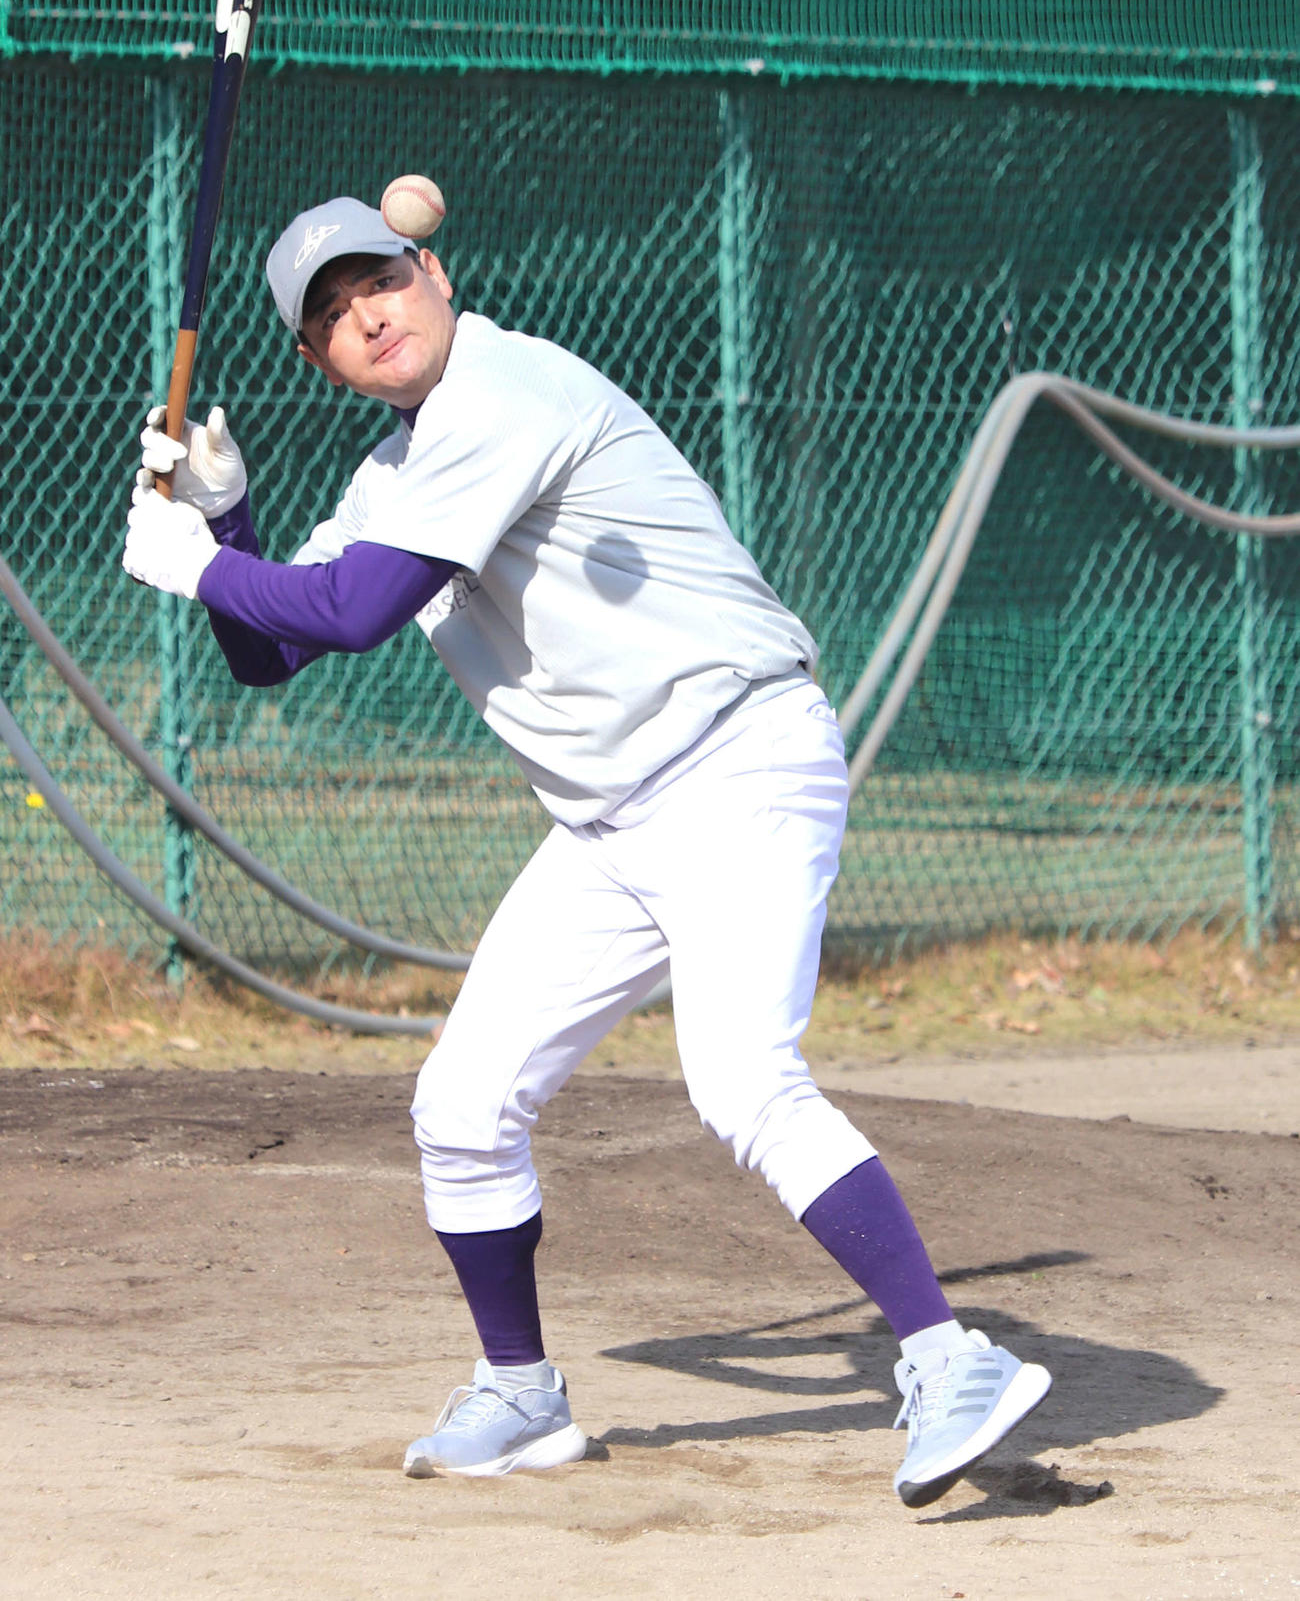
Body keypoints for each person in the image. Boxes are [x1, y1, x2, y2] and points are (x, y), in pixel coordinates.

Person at [122, 195, 1051, 1507]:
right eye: (329, 315)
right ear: (317, 362)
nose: (365, 315)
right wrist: (227, 523)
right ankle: (524, 1392)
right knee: (460, 1105)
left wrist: (187, 565)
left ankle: (952, 1357)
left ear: (431, 271)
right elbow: (273, 649)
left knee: (740, 1074)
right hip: (614, 819)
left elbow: (356, 610)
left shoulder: (503, 388)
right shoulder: (401, 476)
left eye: (377, 280)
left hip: (736, 759)